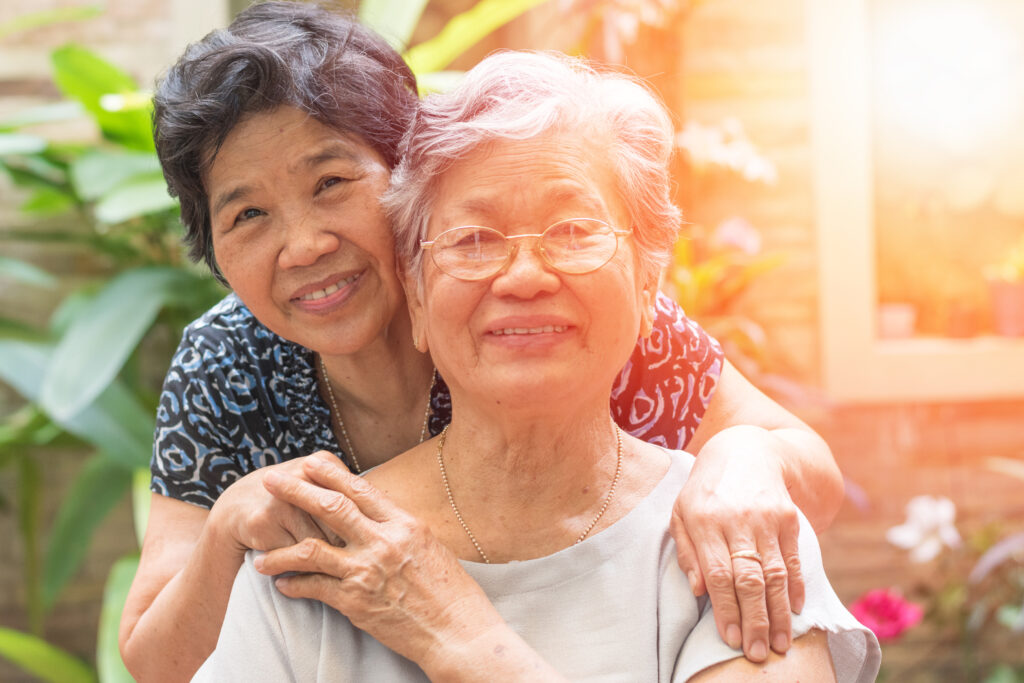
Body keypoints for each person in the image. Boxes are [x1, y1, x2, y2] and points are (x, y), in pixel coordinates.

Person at [119, 3, 846, 680]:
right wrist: (226, 531)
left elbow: (803, 463)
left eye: (332, 181)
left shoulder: (561, 317)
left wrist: (742, 456)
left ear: (408, 175)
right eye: (247, 214)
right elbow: (156, 659)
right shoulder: (228, 360)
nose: (304, 245)